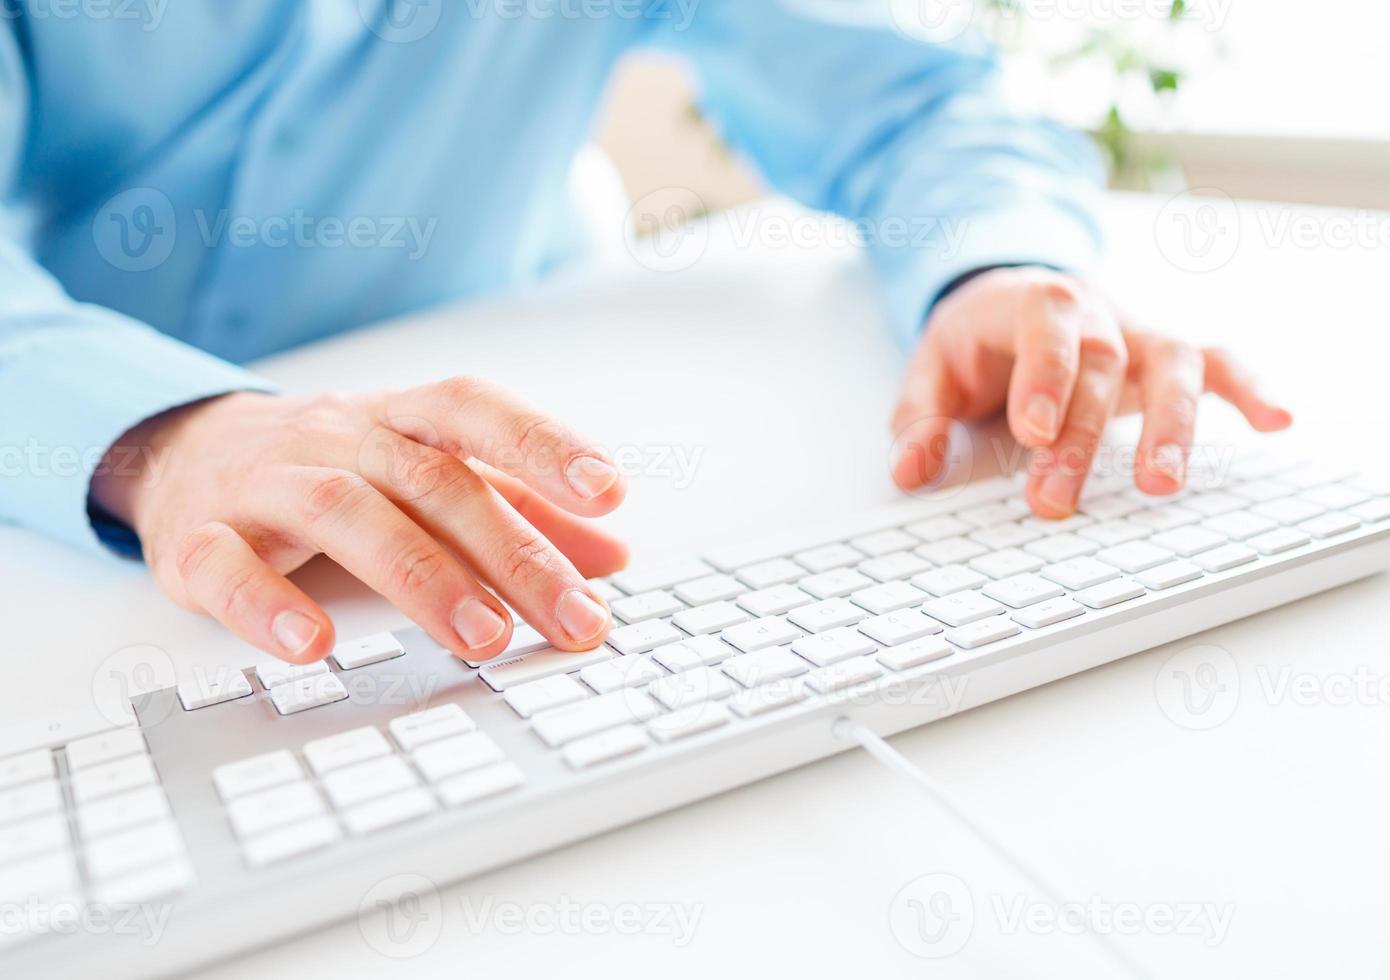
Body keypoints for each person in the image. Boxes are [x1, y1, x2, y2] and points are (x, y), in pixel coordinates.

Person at [0, 2, 1289, 668]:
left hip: (541, 419)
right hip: (78, 523)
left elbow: (917, 102)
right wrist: (161, 438)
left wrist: (1000, 264)